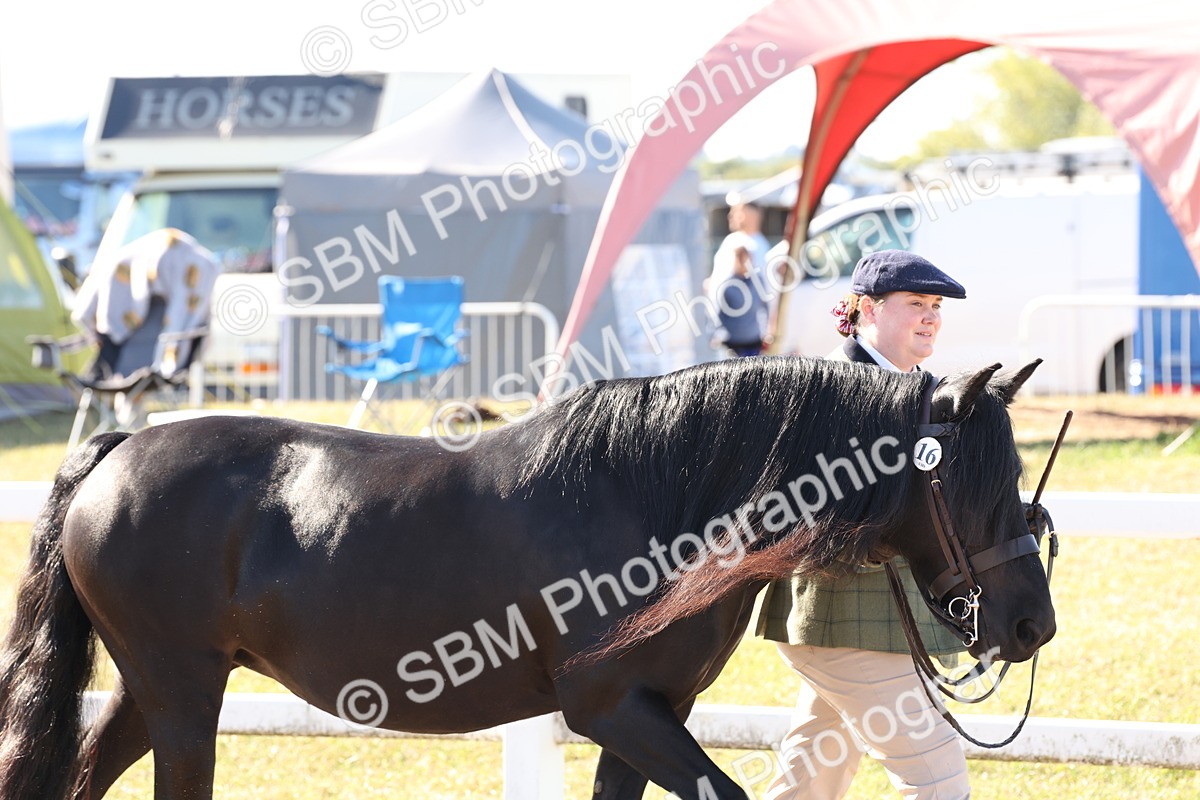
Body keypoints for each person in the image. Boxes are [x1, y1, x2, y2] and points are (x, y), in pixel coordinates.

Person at [753, 249, 972, 799]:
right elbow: (804, 518)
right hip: (844, 622)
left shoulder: (924, 389)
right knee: (939, 779)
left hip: (872, 628)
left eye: (936, 305)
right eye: (916, 303)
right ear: (868, 310)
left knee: (810, 781)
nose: (931, 316)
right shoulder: (829, 391)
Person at [706, 202, 773, 357]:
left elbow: (762, 294)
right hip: (725, 332)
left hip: (743, 333)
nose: (731, 216)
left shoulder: (755, 245)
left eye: (736, 212)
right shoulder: (733, 240)